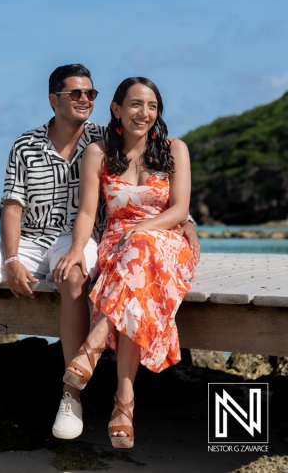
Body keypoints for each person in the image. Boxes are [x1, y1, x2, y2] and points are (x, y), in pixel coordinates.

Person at [0, 63, 199, 440]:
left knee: (74, 277)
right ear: (54, 100)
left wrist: (187, 221)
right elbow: (12, 208)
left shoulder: (105, 138)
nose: (85, 101)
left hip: (88, 239)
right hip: (36, 239)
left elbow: (167, 193)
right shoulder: (35, 144)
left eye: (91, 95)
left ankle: (73, 393)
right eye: (76, 94)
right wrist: (13, 258)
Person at [52, 76, 199, 449]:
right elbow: (87, 212)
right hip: (119, 245)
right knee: (134, 276)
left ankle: (96, 342)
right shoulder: (98, 153)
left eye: (151, 106)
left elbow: (180, 209)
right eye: (135, 104)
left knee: (143, 248)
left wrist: (145, 229)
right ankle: (124, 402)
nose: (144, 113)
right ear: (116, 109)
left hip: (166, 243)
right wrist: (76, 248)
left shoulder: (175, 149)